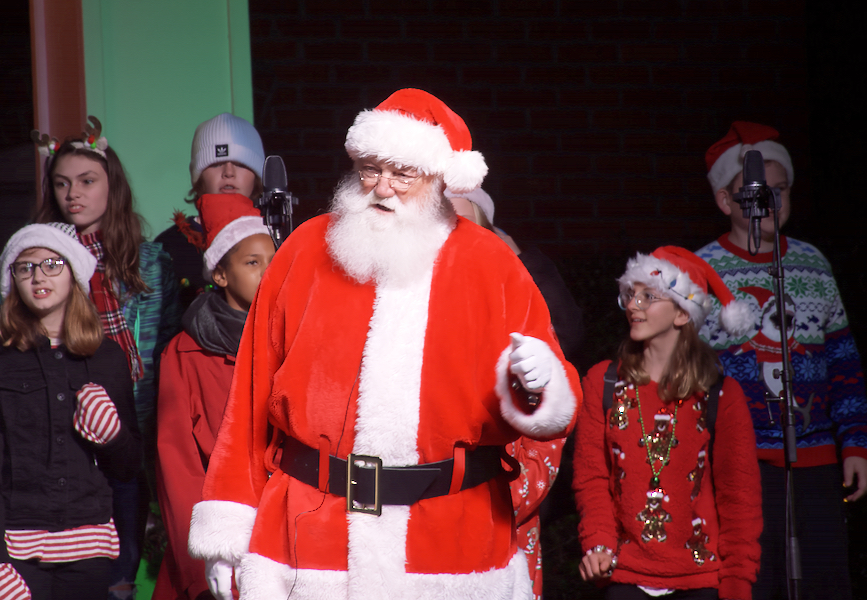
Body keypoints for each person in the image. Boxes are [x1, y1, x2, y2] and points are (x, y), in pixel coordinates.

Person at [186, 88, 582, 600]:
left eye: (403, 173)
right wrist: (229, 531)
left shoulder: (492, 263)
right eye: (370, 169)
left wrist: (541, 382)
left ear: (440, 178)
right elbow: (249, 397)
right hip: (313, 539)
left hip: (451, 544)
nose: (383, 188)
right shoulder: (305, 250)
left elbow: (553, 399)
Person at [0, 117, 181, 599]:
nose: (73, 194)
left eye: (87, 181)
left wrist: (133, 431)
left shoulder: (149, 263)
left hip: (128, 424)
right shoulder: (25, 255)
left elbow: (165, 346)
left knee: (123, 558)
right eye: (62, 184)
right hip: (39, 422)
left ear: (113, 187)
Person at [696, 121, 867, 600]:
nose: (771, 200)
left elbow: (843, 362)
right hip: (739, 463)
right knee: (754, 578)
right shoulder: (703, 270)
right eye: (756, 191)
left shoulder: (812, 263)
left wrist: (855, 443)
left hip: (814, 458)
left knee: (821, 579)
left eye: (780, 189)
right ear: (725, 202)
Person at [573, 246, 762, 600]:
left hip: (701, 577)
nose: (633, 305)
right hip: (625, 573)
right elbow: (592, 477)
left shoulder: (721, 394)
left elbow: (740, 496)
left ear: (682, 314)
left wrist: (738, 581)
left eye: (649, 296)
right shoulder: (603, 382)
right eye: (630, 295)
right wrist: (598, 543)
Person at [0, 222, 142, 599]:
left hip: (91, 555)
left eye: (51, 263)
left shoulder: (108, 357)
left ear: (74, 273)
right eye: (25, 267)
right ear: (12, 278)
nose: (38, 276)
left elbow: (128, 469)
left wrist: (111, 437)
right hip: (15, 551)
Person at [446, 186, 583, 598]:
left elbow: (544, 439)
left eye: (460, 223)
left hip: (494, 524)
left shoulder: (517, 317)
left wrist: (475, 504)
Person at [153, 193, 274, 600]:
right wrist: (203, 556)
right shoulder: (184, 354)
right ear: (220, 275)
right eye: (252, 263)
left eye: (274, 261)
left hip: (281, 540)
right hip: (215, 545)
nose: (268, 273)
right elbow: (178, 464)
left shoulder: (294, 344)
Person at [155, 113, 266, 313]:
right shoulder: (168, 247)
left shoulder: (276, 241)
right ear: (198, 177)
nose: (229, 172)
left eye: (241, 164)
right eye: (215, 163)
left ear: (257, 176)